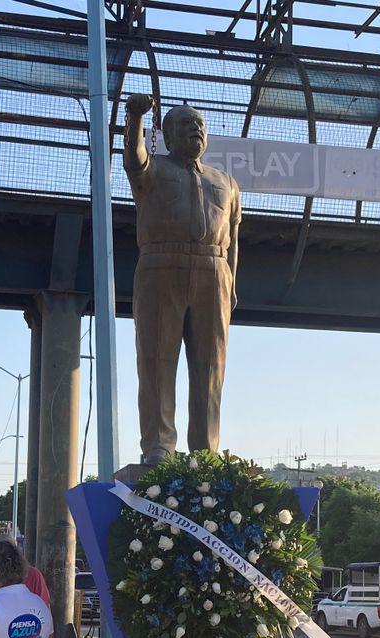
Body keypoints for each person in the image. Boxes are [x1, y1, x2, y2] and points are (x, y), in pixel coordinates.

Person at [123, 94, 243, 464]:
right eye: (185, 124)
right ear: (168, 136)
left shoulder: (225, 182)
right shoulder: (154, 170)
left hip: (214, 272)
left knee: (210, 368)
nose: (196, 128)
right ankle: (159, 446)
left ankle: (205, 449)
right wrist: (135, 118)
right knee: (157, 361)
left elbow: (233, 239)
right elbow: (134, 158)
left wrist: (230, 286)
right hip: (162, 265)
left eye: (200, 125)